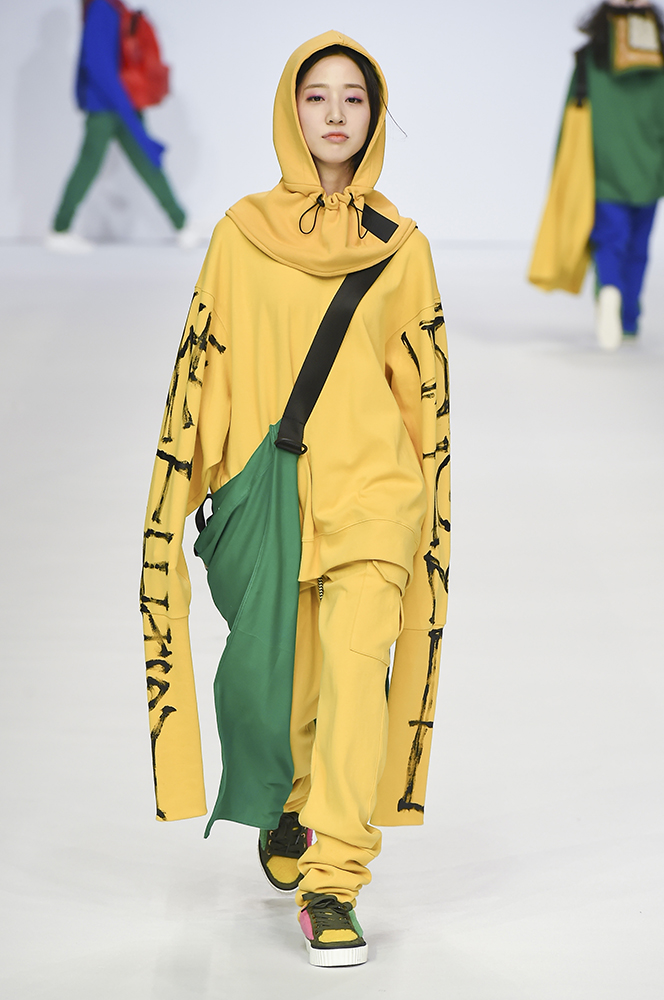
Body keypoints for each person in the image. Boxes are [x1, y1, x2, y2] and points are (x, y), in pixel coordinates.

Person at [140, 30, 450, 967]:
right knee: (284, 687)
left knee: (356, 675)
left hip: (373, 498)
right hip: (268, 500)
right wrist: (187, 491)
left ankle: (335, 879)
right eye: (318, 96)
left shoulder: (402, 250)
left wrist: (426, 517)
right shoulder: (238, 237)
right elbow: (203, 376)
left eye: (354, 97)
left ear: (375, 115)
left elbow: (424, 400)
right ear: (291, 109)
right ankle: (293, 803)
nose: (335, 114)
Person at [529, 0, 664, 350]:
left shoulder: (591, 57)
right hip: (651, 166)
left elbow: (573, 115)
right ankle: (629, 318)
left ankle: (610, 294)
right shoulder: (659, 56)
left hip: (603, 167)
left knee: (609, 240)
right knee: (638, 247)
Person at [47, 0, 194, 252]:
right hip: (108, 104)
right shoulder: (102, 8)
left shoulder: (109, 7)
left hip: (116, 101)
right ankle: (60, 229)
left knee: (144, 160)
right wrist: (123, 105)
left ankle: (181, 224)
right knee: (95, 164)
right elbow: (98, 64)